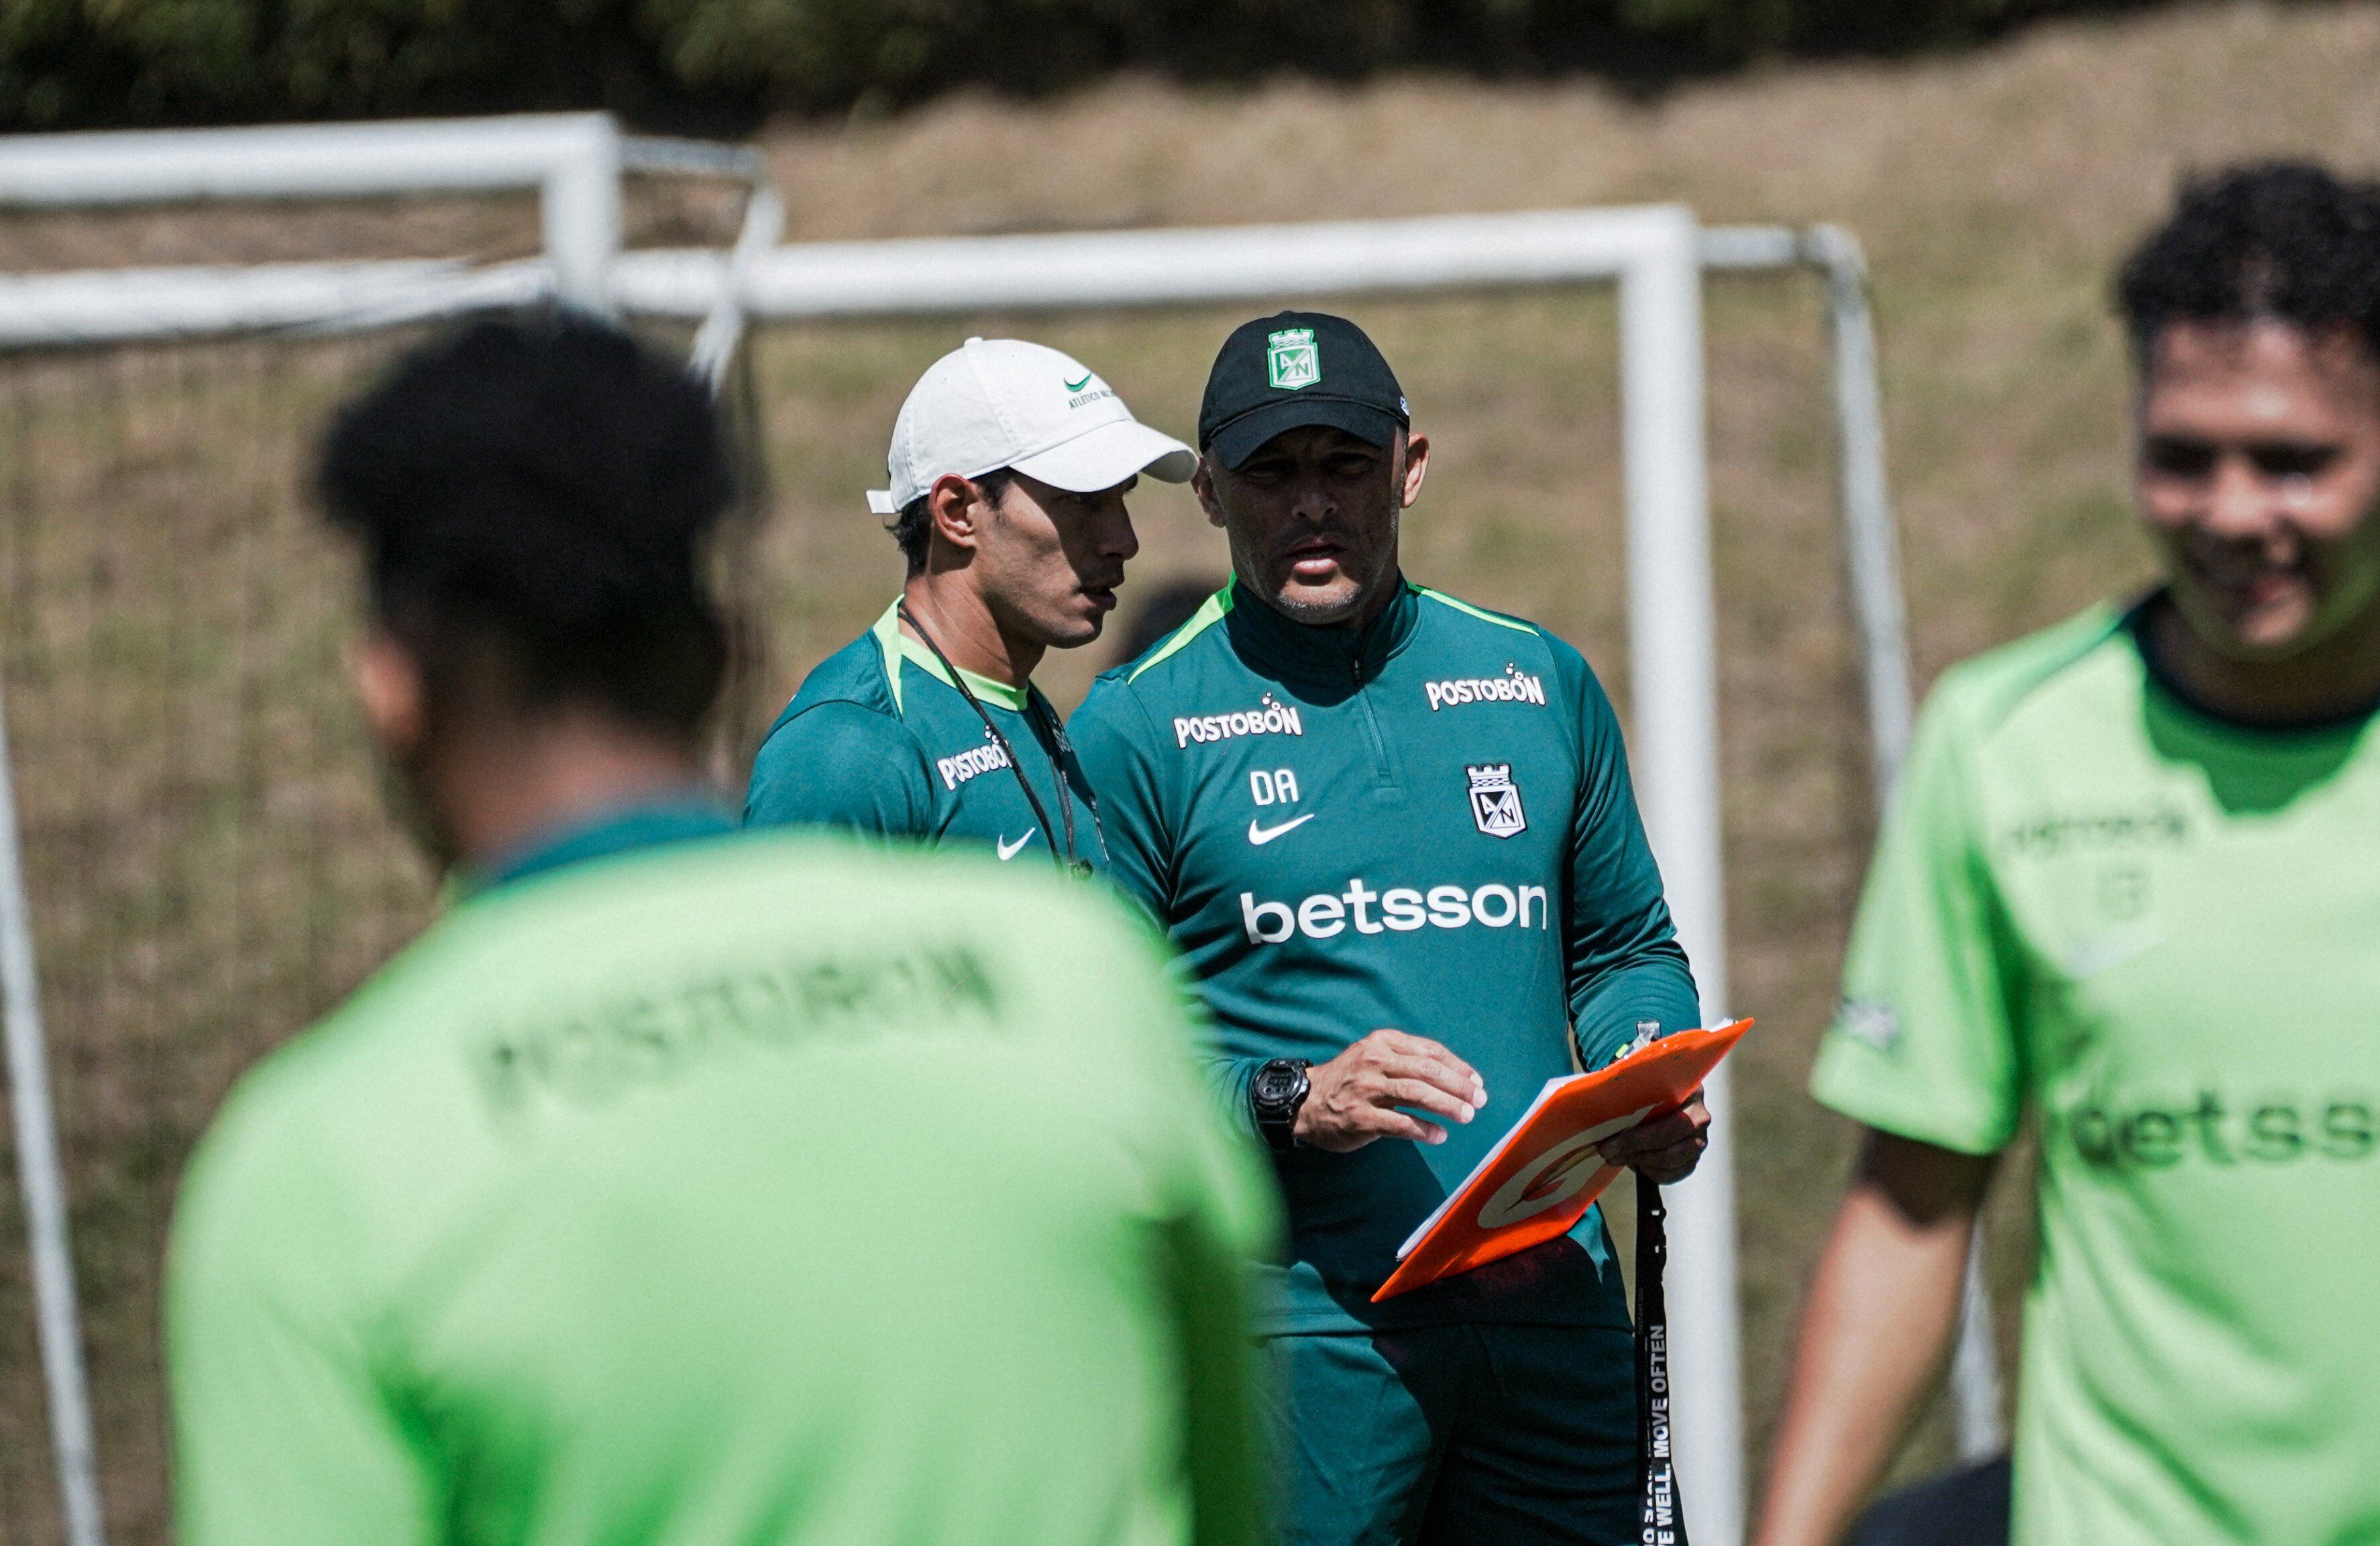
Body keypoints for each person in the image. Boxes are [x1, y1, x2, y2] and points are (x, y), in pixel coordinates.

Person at [1753, 161, 2380, 1546]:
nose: (2227, 512)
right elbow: (1911, 1212)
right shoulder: (2005, 746)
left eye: (2290, 460)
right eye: (2180, 454)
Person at [164, 314, 1275, 1546]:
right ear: (721, 658)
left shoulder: (318, 1171)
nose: (1119, 534)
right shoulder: (1087, 986)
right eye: (1081, 500)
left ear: (387, 689)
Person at [1070, 309, 1715, 1545]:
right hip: (1306, 1331)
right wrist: (1286, 1097)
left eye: (1344, 465)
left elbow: (1627, 948)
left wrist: (1648, 1062)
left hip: (1557, 1310)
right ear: (1208, 492)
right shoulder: (1135, 727)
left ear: (1410, 466)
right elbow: (1091, 1065)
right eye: (1272, 472)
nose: (1311, 503)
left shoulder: (1538, 680)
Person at [743, 336, 1195, 869]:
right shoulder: (847, 751)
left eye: (1123, 497)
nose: (1124, 539)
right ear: (958, 512)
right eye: (1081, 501)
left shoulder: (1020, 708)